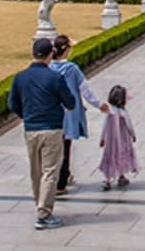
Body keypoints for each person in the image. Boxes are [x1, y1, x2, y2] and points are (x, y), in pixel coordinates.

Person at [6, 37, 76, 230]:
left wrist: (26, 115)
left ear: (33, 54)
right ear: (50, 55)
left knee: (36, 171)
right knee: (50, 171)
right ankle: (44, 214)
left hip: (31, 129)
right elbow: (70, 102)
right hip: (52, 128)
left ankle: (40, 205)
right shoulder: (55, 77)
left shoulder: (20, 77)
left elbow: (12, 104)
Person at [47, 35, 109, 193]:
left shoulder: (48, 68)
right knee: (65, 147)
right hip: (69, 112)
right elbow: (85, 90)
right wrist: (99, 104)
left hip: (51, 112)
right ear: (66, 50)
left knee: (54, 147)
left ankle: (63, 175)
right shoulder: (72, 69)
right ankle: (61, 182)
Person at [98, 85, 138, 190]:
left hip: (111, 141)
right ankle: (121, 176)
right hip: (123, 139)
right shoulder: (124, 112)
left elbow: (105, 126)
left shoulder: (109, 112)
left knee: (111, 156)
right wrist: (133, 135)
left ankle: (108, 179)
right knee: (121, 156)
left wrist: (102, 138)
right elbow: (129, 125)